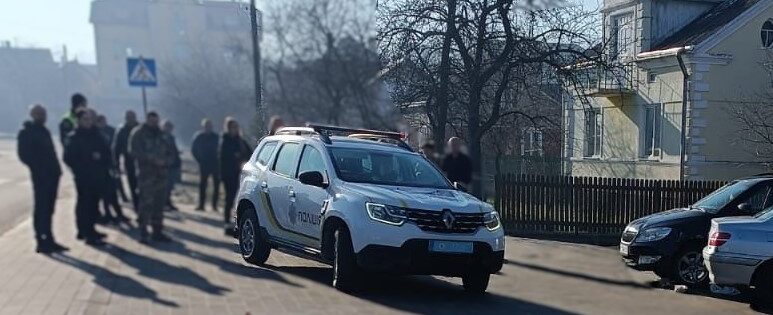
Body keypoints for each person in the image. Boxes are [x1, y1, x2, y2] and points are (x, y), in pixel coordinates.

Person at [17, 105, 69, 254]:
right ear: (33, 115)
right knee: (41, 207)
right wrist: (38, 167)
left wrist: (56, 170)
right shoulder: (26, 132)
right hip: (41, 176)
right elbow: (24, 155)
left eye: (44, 114)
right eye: (40, 114)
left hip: (52, 174)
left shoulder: (44, 130)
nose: (43, 117)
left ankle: (49, 238)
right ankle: (40, 240)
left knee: (49, 208)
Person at [63, 109, 108, 246]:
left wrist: (101, 159)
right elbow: (68, 158)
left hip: (97, 175)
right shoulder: (74, 137)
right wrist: (83, 165)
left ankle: (92, 228)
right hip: (83, 176)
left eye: (90, 119)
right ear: (78, 121)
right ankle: (85, 232)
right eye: (85, 119)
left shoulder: (96, 134)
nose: (88, 122)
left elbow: (106, 152)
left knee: (94, 203)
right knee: (85, 204)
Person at [130, 111, 174, 243]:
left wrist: (165, 161)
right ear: (147, 120)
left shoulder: (163, 135)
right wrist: (151, 159)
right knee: (145, 204)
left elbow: (172, 153)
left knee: (159, 204)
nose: (154, 123)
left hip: (161, 175)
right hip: (146, 175)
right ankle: (143, 232)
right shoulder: (138, 133)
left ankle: (157, 231)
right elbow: (133, 151)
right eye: (151, 121)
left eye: (156, 121)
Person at [220, 117, 251, 235]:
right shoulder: (225, 141)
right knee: (229, 199)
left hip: (241, 175)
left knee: (238, 200)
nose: (235, 129)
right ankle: (227, 224)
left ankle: (237, 224)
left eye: (236, 127)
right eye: (232, 127)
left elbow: (249, 153)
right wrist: (235, 157)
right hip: (229, 175)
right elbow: (224, 158)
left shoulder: (241, 141)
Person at [95, 114, 128, 224]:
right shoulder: (95, 133)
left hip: (110, 164)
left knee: (114, 190)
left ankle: (119, 213)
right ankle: (107, 213)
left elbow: (115, 147)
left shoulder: (111, 130)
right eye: (100, 121)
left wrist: (115, 163)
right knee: (105, 194)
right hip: (100, 168)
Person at [191, 119, 220, 211]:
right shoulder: (199, 136)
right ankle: (201, 205)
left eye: (209, 126)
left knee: (216, 185)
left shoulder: (216, 137)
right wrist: (199, 159)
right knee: (203, 184)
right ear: (203, 127)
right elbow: (194, 149)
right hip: (204, 163)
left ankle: (214, 206)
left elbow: (221, 149)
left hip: (215, 164)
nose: (208, 128)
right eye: (206, 126)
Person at [114, 110, 140, 209]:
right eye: (128, 117)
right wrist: (116, 163)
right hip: (129, 160)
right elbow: (116, 148)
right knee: (133, 183)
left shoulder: (141, 129)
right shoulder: (122, 130)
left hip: (143, 161)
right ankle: (136, 204)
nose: (131, 119)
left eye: (132, 117)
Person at [162, 120, 181, 211]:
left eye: (170, 127)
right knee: (165, 185)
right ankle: (164, 203)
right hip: (166, 165)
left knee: (170, 185)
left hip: (173, 164)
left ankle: (168, 202)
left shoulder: (171, 137)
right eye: (167, 127)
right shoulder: (161, 137)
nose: (169, 129)